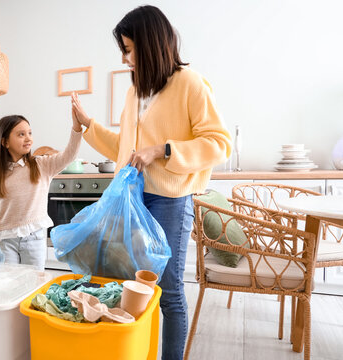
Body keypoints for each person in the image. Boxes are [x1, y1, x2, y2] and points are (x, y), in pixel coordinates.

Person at [71, 5, 232, 360]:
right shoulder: (135, 92)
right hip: (131, 200)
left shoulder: (189, 83)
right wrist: (88, 125)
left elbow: (219, 143)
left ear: (149, 43)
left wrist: (162, 149)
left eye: (128, 50)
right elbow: (125, 149)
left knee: (169, 290)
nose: (126, 59)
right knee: (135, 287)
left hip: (169, 200)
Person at [0, 110, 83, 270]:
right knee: (9, 283)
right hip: (5, 240)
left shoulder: (41, 165)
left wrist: (77, 128)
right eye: (21, 134)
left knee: (34, 281)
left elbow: (69, 156)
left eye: (29, 133)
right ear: (5, 142)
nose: (28, 138)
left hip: (34, 237)